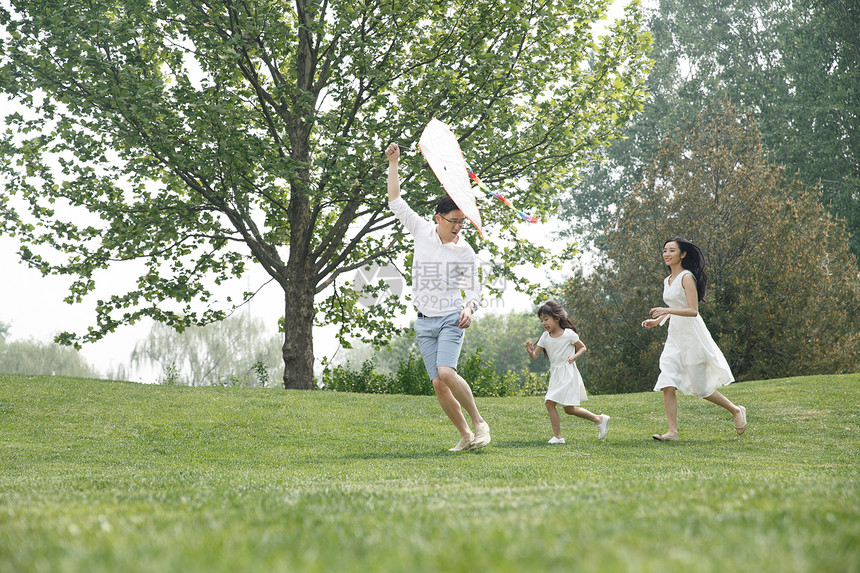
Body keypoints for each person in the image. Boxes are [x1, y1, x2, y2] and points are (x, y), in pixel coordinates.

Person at [385, 142, 490, 452]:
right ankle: (465, 435)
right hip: (424, 322)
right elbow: (395, 201)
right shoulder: (421, 230)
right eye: (453, 221)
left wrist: (470, 308)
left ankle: (480, 422)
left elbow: (474, 288)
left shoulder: (464, 250)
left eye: (462, 222)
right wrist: (394, 162)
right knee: (437, 383)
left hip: (450, 318)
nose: (458, 227)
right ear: (438, 218)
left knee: (447, 371)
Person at [641, 237, 747, 441]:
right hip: (675, 335)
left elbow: (692, 310)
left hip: (692, 334)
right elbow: (676, 306)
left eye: (671, 250)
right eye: (664, 251)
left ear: (682, 254)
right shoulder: (668, 280)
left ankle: (735, 410)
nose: (666, 254)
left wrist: (666, 309)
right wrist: (658, 321)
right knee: (667, 380)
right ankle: (672, 432)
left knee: (700, 387)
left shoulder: (686, 277)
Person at [525, 301, 610, 443]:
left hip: (568, 372)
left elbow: (583, 347)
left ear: (557, 318)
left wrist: (574, 357)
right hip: (556, 373)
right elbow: (535, 356)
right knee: (569, 409)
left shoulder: (569, 334)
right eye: (541, 320)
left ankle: (558, 437)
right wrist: (530, 352)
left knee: (549, 402)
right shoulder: (545, 337)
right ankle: (599, 419)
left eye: (546, 319)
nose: (543, 323)